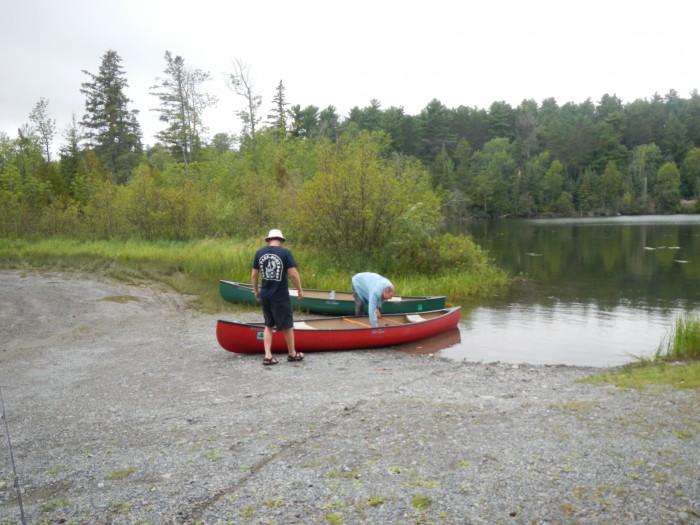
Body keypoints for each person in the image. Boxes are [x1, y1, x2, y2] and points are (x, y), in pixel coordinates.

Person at [251, 229, 305, 365]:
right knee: (287, 325)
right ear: (280, 240)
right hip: (280, 295)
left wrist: (256, 290)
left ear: (269, 239)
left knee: (268, 325)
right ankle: (292, 354)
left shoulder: (259, 253)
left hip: (265, 294)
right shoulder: (285, 252)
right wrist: (300, 290)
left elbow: (254, 275)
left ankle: (268, 356)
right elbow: (293, 274)